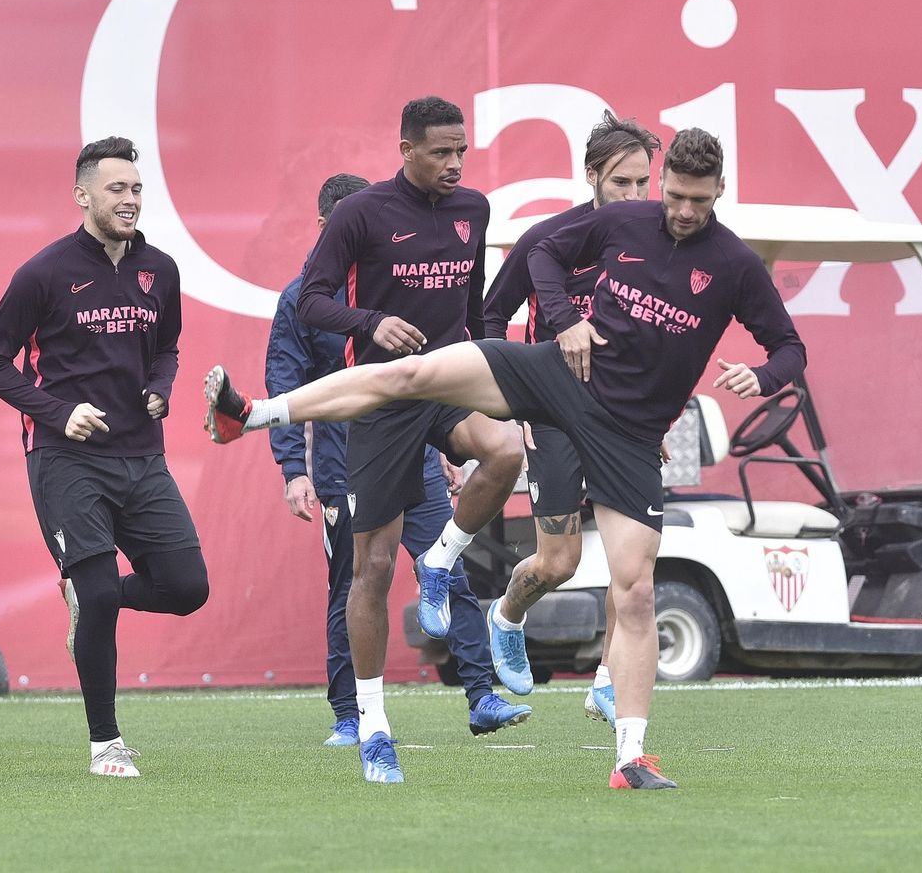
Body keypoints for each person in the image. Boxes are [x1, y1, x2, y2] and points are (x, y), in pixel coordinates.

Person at [205, 128, 806, 790]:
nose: (682, 210)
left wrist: (763, 375)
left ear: (720, 190)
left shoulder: (736, 265)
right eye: (673, 194)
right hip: (556, 379)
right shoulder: (624, 222)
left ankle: (630, 756)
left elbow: (789, 348)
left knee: (633, 592)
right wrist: (565, 317)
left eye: (697, 198)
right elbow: (543, 253)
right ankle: (253, 413)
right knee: (408, 374)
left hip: (631, 434)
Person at [284, 96, 523, 784]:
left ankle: (442, 562)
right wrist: (371, 322)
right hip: (384, 397)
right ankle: (374, 726)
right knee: (375, 569)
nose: (453, 164)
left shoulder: (473, 210)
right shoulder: (361, 214)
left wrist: (488, 361)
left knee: (507, 450)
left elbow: (474, 303)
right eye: (440, 152)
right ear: (405, 149)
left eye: (461, 151)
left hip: (449, 376)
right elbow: (312, 299)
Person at [0, 136, 207, 779]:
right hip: (65, 458)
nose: (129, 200)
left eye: (136, 189)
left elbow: (168, 349)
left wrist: (160, 389)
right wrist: (57, 411)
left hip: (143, 457)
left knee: (188, 589)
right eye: (116, 190)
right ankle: (107, 742)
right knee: (100, 591)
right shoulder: (42, 274)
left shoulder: (161, 268)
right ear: (82, 197)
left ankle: (90, 597)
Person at [479, 112, 661, 725]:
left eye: (643, 184)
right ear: (591, 178)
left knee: (630, 565)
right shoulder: (549, 239)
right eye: (621, 184)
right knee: (560, 562)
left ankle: (609, 679)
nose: (635, 198)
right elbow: (489, 318)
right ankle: (506, 616)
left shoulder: (661, 245)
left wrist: (653, 420)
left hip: (623, 418)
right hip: (553, 412)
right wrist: (511, 404)